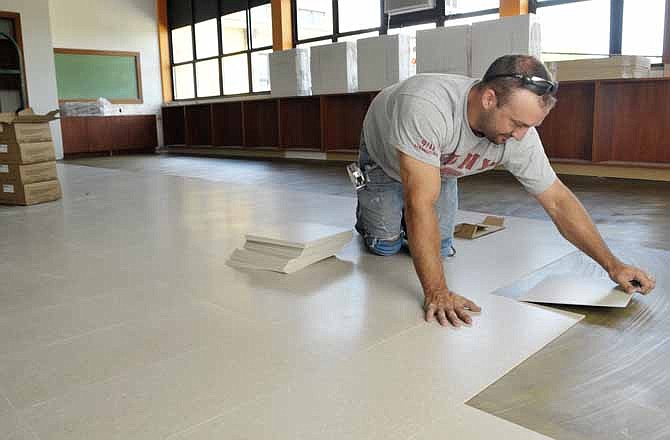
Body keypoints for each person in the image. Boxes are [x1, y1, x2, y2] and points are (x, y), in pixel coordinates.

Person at [354, 54, 656, 327]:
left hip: (440, 165)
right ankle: (370, 211)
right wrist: (438, 292)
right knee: (386, 247)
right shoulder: (427, 106)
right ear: (488, 99)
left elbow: (558, 202)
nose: (520, 136)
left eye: (529, 126)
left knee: (441, 248)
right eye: (516, 123)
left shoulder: (519, 135)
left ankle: (419, 194)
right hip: (385, 159)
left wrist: (613, 265)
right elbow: (420, 203)